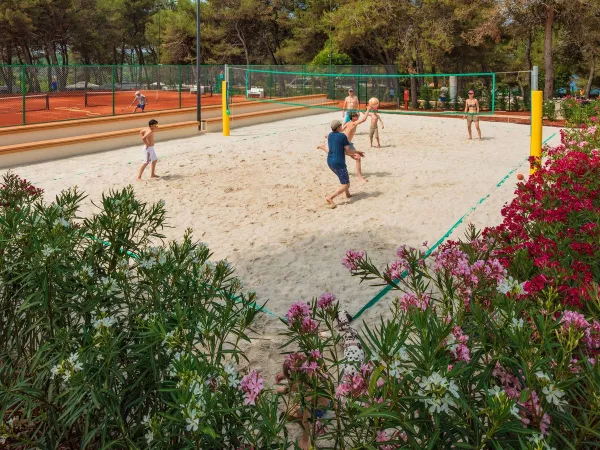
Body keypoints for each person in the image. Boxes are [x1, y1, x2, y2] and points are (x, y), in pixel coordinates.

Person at [317, 119, 365, 209]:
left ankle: (347, 194)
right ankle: (330, 197)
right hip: (338, 162)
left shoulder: (330, 135)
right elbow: (348, 150)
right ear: (339, 127)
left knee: (343, 179)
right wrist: (358, 152)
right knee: (346, 184)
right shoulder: (342, 136)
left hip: (329, 161)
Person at [341, 105, 371, 182]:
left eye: (357, 115)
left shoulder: (348, 123)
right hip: (344, 145)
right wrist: (368, 109)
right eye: (356, 116)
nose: (358, 116)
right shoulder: (353, 123)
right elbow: (364, 119)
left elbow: (340, 131)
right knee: (357, 157)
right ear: (353, 117)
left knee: (356, 157)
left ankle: (359, 176)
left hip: (349, 144)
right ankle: (360, 177)